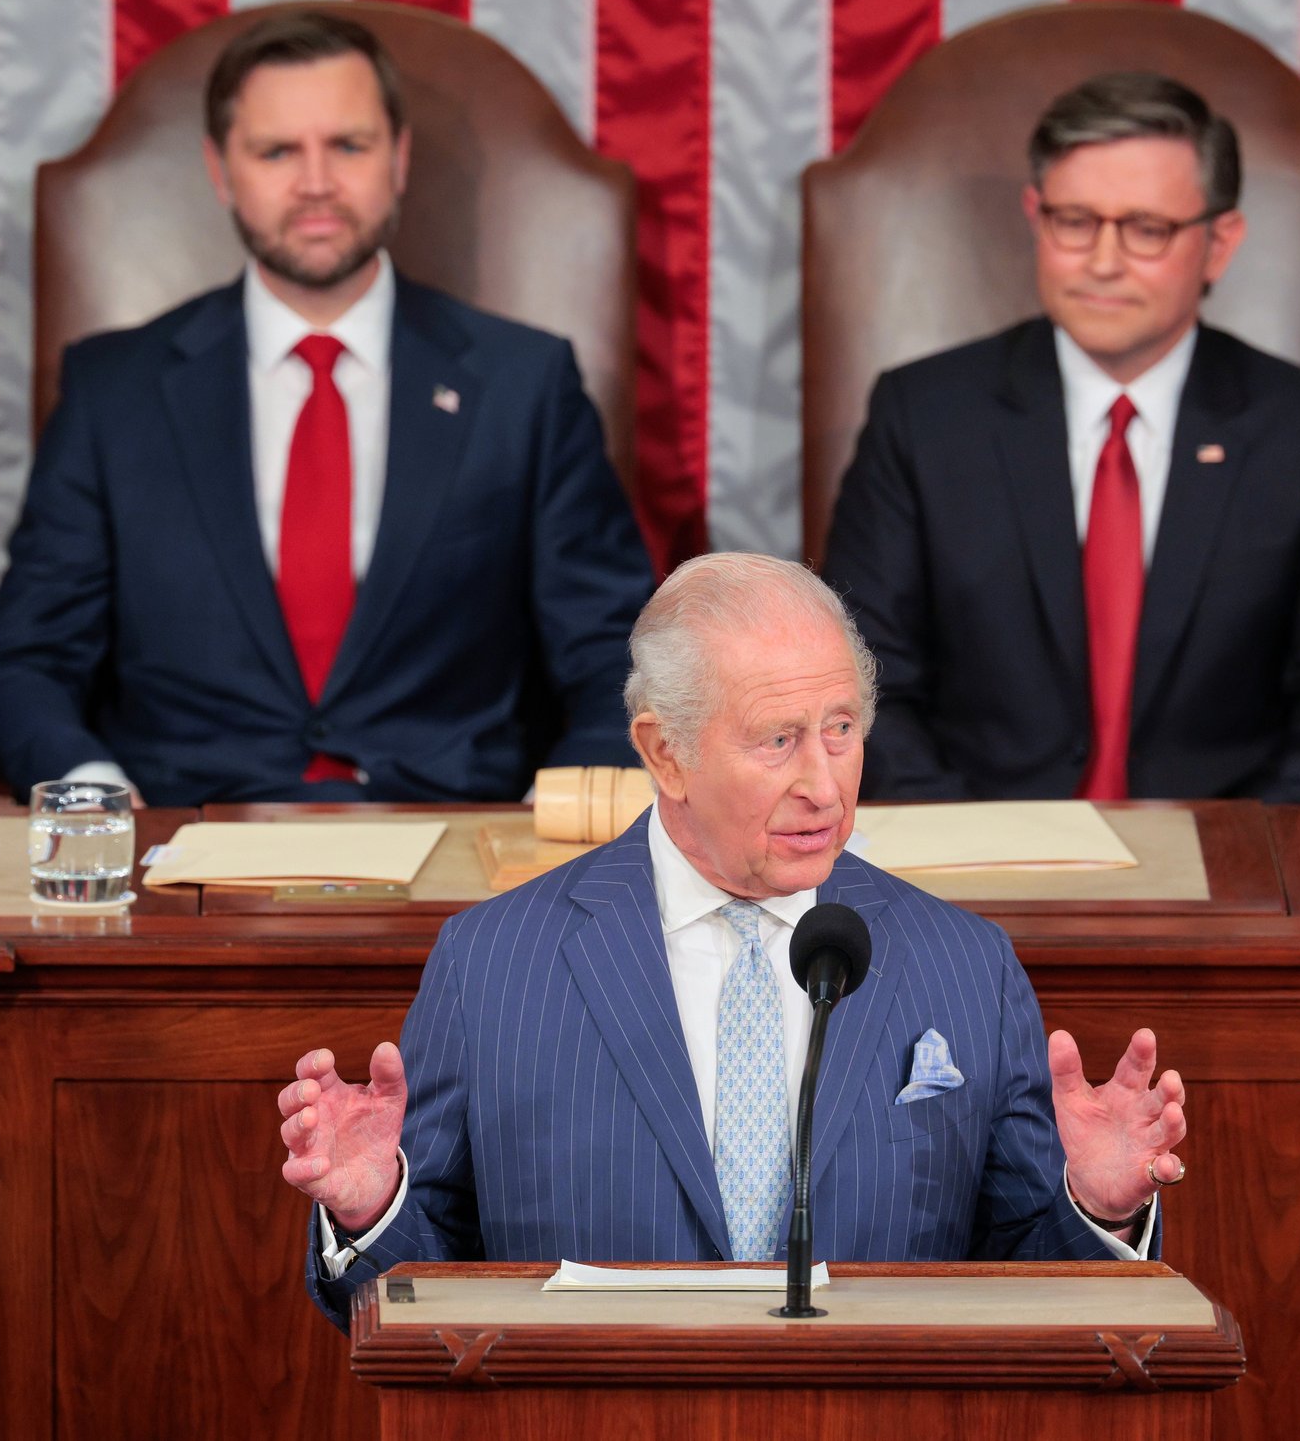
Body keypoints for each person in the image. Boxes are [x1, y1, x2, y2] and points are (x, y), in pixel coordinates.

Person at [278, 553, 1189, 1329]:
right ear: (664, 752)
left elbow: (1029, 1288)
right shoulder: (494, 964)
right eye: (778, 739)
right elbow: (418, 1301)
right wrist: (372, 1209)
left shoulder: (966, 966)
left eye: (841, 729)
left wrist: (1099, 1208)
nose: (823, 784)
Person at [0, 11, 654, 806]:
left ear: (398, 159)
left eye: (348, 146)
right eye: (277, 151)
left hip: (455, 838)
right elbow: (23, 667)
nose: (316, 182)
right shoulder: (113, 392)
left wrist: (563, 811)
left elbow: (616, 656)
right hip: (184, 840)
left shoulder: (523, 384)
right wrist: (97, 799)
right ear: (221, 171)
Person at [824, 71, 1300, 804]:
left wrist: (1234, 855)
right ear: (1036, 218)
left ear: (1219, 243)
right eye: (1075, 221)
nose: (1102, 261)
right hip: (976, 844)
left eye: (1146, 229)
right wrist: (982, 851)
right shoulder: (924, 416)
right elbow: (863, 685)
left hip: (1226, 850)